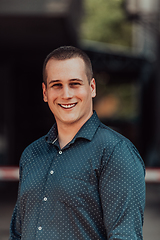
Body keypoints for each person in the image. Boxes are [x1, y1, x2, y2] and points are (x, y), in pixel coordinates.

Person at [10, 46, 145, 240]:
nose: (66, 94)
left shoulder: (115, 153)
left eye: (74, 83)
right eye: (56, 85)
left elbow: (124, 236)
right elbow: (17, 233)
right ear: (45, 92)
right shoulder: (31, 154)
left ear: (92, 88)